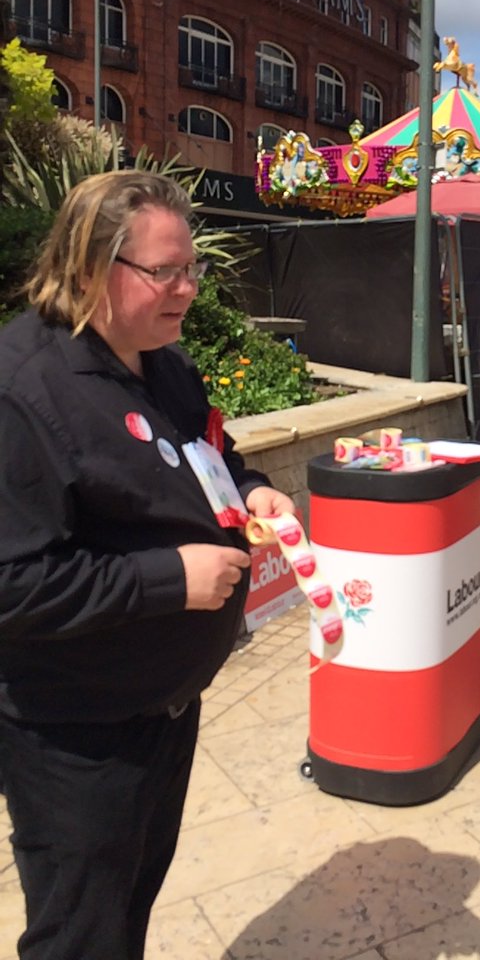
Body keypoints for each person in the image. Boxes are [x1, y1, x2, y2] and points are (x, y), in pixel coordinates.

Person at [0, 171, 295, 960]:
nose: (188, 289)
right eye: (165, 272)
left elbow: (214, 454)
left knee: (129, 906)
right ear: (91, 268)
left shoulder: (164, 361)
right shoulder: (21, 393)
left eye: (192, 268)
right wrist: (171, 580)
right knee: (80, 934)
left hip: (166, 707)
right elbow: (13, 583)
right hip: (77, 736)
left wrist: (253, 491)